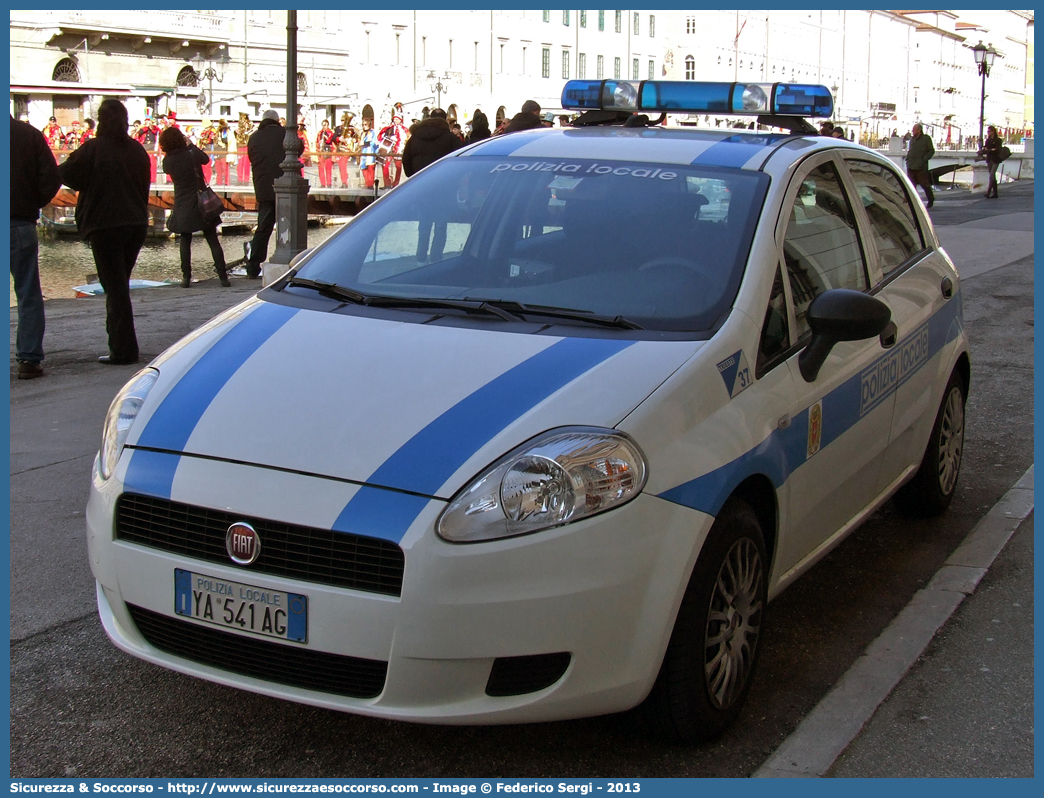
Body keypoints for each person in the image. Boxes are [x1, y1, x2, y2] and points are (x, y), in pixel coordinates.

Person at [58, 98, 151, 365]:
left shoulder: (94, 149)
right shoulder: (137, 150)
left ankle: (122, 350)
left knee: (115, 288)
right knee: (119, 285)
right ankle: (122, 346)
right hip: (135, 223)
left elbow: (67, 174)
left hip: (105, 225)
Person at [10, 115, 62, 379]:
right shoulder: (29, 135)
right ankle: (28, 359)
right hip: (19, 222)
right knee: (28, 293)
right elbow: (52, 177)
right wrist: (35, 202)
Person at [159, 126, 230, 288]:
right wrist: (190, 145)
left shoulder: (168, 161)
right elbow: (205, 159)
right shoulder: (191, 154)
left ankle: (186, 278)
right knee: (212, 239)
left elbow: (166, 169)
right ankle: (223, 276)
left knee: (185, 240)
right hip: (201, 201)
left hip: (183, 203)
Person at [245, 109, 285, 279]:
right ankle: (286, 262)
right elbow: (298, 150)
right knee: (288, 226)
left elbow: (251, 158)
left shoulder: (253, 137)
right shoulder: (285, 134)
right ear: (277, 121)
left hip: (263, 188)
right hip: (285, 186)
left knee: (263, 228)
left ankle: (253, 267)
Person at [400, 108, 461, 177]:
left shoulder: (415, 136)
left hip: (419, 179)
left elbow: (406, 159)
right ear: (446, 120)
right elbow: (458, 160)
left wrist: (413, 176)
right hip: (443, 178)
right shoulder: (451, 138)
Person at [905, 122, 935, 208]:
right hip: (911, 164)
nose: (913, 131)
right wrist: (908, 159)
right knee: (911, 184)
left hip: (921, 166)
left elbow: (931, 151)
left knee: (924, 184)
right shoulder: (912, 140)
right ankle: (910, 200)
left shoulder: (926, 139)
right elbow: (911, 150)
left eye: (914, 130)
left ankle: (931, 199)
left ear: (919, 130)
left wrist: (924, 159)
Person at [377, 113, 409, 187]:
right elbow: (383, 136)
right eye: (394, 119)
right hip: (389, 149)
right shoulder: (389, 128)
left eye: (397, 119)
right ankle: (387, 184)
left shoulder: (404, 129)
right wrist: (390, 137)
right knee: (385, 165)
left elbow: (407, 138)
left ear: (400, 120)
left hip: (399, 149)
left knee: (398, 167)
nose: (395, 120)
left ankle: (396, 183)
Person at [981, 125, 1002, 199]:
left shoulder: (998, 140)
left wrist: (990, 150)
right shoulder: (988, 140)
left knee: (991, 175)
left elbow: (997, 149)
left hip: (996, 159)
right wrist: (989, 150)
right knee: (992, 176)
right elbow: (987, 148)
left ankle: (988, 192)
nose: (988, 133)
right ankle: (995, 193)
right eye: (987, 131)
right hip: (989, 159)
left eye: (989, 131)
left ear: (993, 132)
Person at [235, 112, 254, 185]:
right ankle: (240, 179)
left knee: (246, 163)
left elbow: (251, 132)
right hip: (240, 145)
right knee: (240, 163)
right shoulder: (240, 125)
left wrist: (246, 131)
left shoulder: (250, 125)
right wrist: (236, 132)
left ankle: (246, 179)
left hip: (246, 145)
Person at [316, 119, 336, 188]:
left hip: (328, 150)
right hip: (321, 151)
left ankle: (329, 183)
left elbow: (331, 141)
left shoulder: (330, 132)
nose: (324, 126)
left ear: (328, 125)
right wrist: (319, 144)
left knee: (328, 168)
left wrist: (326, 138)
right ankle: (323, 183)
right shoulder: (320, 133)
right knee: (321, 168)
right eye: (323, 125)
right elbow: (317, 142)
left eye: (325, 125)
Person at [359, 117, 379, 187]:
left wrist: (364, 143)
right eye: (363, 124)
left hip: (370, 151)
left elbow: (374, 142)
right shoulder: (362, 133)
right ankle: (367, 182)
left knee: (370, 168)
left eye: (366, 124)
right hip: (363, 152)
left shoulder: (372, 132)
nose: (364, 126)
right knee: (363, 167)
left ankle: (370, 184)